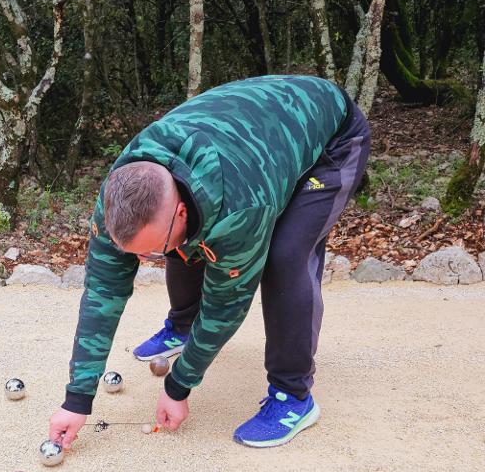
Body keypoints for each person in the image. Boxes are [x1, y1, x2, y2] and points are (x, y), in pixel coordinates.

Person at [48, 74, 371, 449]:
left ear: (181, 210)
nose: (142, 262)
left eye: (150, 253)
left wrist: (179, 385)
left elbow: (225, 306)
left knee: (285, 258)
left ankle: (293, 396)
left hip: (330, 139)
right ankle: (182, 327)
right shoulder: (119, 194)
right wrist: (77, 399)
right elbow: (103, 291)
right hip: (253, 133)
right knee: (183, 244)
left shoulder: (240, 209)